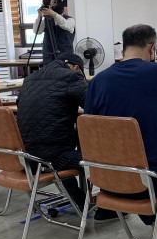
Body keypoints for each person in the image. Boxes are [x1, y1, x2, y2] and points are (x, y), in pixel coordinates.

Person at [84, 24, 157, 239]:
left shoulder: (99, 80)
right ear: (152, 47)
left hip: (109, 180)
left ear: (124, 47)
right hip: (153, 181)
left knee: (137, 163)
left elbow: (90, 123)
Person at [16, 53, 101, 216]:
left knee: (63, 139)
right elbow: (92, 105)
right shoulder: (72, 76)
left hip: (26, 158)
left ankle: (80, 201)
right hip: (52, 159)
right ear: (76, 68)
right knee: (103, 159)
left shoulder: (30, 79)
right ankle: (108, 207)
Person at [32, 0, 75, 64]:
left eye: (56, 3)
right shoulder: (47, 20)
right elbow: (37, 31)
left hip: (65, 57)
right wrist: (40, 16)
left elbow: (66, 25)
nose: (54, 6)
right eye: (52, 4)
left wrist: (54, 14)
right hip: (49, 57)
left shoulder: (70, 20)